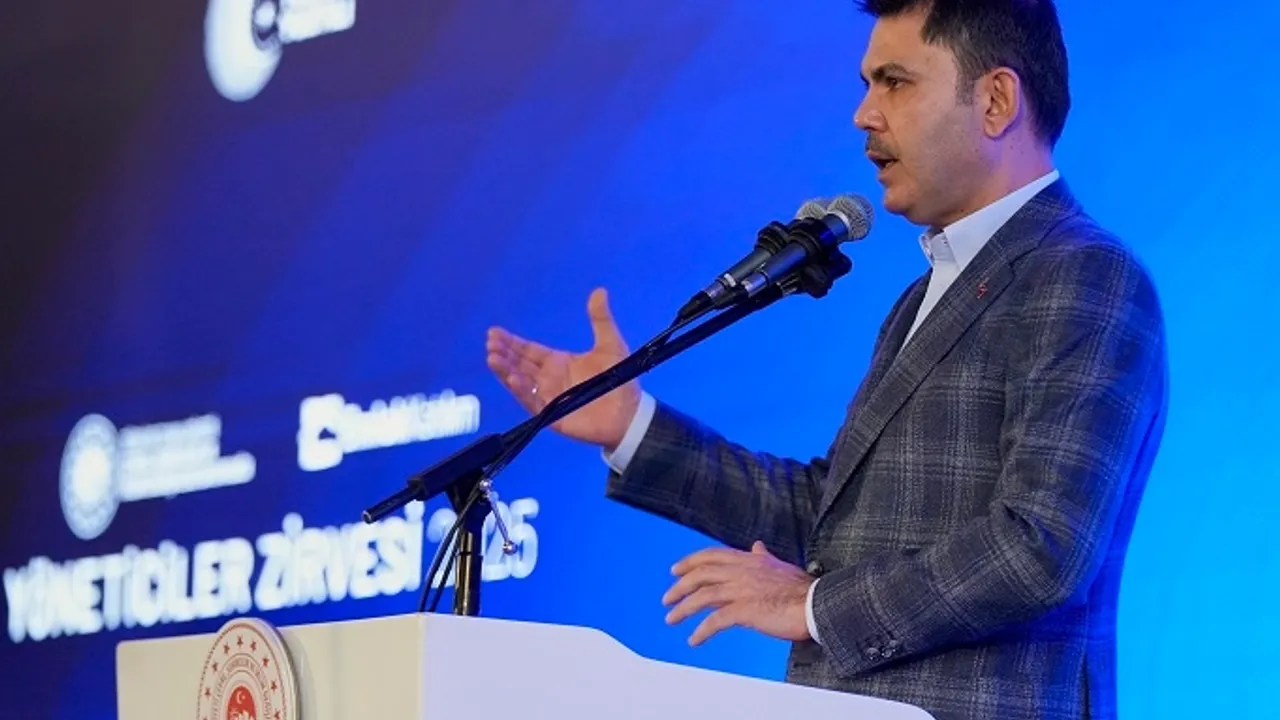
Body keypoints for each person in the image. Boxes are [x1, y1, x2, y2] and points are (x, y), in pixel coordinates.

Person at [485, 0, 1168, 718]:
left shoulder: (1083, 275)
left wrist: (812, 604)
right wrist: (632, 427)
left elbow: (1040, 548)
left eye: (894, 82)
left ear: (996, 99)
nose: (863, 115)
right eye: (867, 84)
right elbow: (833, 522)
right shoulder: (923, 297)